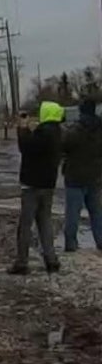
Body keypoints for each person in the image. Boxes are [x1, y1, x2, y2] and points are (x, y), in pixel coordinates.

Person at [10, 101, 65, 275]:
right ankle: (51, 260)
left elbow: (26, 147)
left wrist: (23, 128)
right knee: (45, 222)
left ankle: (21, 263)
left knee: (25, 225)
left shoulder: (45, 133)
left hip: (32, 185)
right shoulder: (56, 132)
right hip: (48, 184)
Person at [62, 98, 102, 251]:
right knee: (97, 213)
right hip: (95, 177)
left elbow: (63, 146)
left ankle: (71, 244)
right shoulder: (100, 129)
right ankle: (100, 240)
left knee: (73, 214)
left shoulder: (76, 130)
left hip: (75, 177)